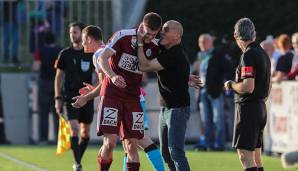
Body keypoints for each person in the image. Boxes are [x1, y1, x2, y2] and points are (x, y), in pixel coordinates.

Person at [72, 25, 164, 171]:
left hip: (125, 99)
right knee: (131, 143)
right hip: (135, 99)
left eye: (83, 40)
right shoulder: (109, 47)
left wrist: (87, 97)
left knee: (124, 142)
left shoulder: (98, 55)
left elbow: (105, 84)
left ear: (89, 39)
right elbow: (105, 84)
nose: (82, 44)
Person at [137, 20, 200, 171]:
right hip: (165, 108)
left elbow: (145, 65)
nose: (161, 32)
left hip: (177, 109)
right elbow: (176, 70)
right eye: (162, 29)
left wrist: (139, 43)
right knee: (166, 153)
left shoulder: (174, 53)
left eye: (166, 30)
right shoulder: (166, 48)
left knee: (175, 152)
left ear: (177, 36)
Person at [224, 18, 271, 171]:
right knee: (257, 158)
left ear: (236, 35)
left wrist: (231, 85)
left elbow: (248, 86)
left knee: (245, 155)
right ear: (254, 33)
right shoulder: (263, 53)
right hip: (260, 108)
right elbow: (269, 85)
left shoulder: (248, 55)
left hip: (248, 109)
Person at [54, 22, 94, 171]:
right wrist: (57, 98)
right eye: (71, 32)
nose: (72, 35)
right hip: (69, 96)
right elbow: (58, 77)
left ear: (83, 34)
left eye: (75, 32)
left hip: (87, 96)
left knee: (85, 132)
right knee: (75, 128)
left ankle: (77, 160)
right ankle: (77, 164)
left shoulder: (90, 53)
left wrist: (95, 90)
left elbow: (98, 75)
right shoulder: (64, 54)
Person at [192, 33, 227, 151]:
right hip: (203, 90)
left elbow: (228, 68)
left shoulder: (218, 53)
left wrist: (224, 83)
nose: (201, 44)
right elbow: (198, 72)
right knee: (205, 119)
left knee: (218, 118)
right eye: (200, 42)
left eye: (204, 41)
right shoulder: (201, 56)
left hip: (215, 91)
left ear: (210, 42)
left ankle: (219, 143)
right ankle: (207, 143)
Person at [38, 31, 61, 144]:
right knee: (57, 112)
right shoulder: (60, 51)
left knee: (43, 113)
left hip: (44, 83)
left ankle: (43, 139)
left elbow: (36, 66)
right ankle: (58, 139)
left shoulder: (41, 50)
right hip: (57, 83)